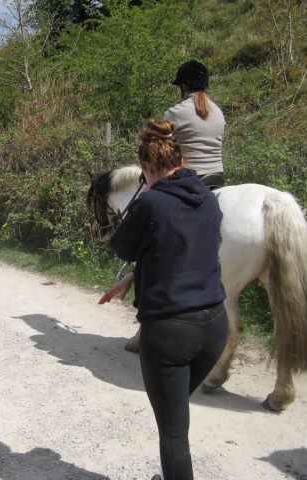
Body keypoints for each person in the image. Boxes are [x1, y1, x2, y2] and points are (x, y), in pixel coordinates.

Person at [98, 119, 228, 480]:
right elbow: (187, 250)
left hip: (171, 332)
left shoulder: (150, 202)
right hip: (215, 328)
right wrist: (134, 277)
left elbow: (121, 246)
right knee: (175, 415)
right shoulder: (208, 197)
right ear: (182, 161)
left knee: (173, 432)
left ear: (146, 168)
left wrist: (133, 262)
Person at [163, 60, 226, 190]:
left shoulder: (175, 112)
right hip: (217, 176)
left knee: (151, 201)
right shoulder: (218, 112)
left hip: (190, 179)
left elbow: (158, 149)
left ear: (184, 86)